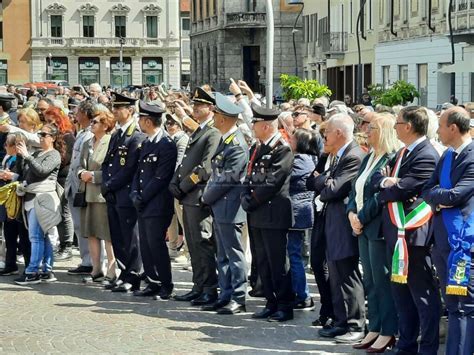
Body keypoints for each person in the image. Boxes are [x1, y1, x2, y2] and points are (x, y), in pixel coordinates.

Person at [374, 106, 441, 354]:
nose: (395, 128)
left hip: (414, 235)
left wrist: (389, 186)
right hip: (396, 234)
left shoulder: (426, 154)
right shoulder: (403, 151)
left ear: (409, 126)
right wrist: (386, 183)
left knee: (422, 296)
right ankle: (407, 344)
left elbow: (404, 189)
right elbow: (379, 182)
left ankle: (428, 348)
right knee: (401, 295)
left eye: (398, 123)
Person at [307, 114, 366, 342]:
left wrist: (323, 179)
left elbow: (333, 189)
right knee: (335, 275)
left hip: (343, 224)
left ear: (339, 133)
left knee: (347, 275)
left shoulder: (353, 156)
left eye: (327, 132)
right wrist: (325, 179)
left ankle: (355, 324)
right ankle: (341, 322)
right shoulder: (337, 156)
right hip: (331, 222)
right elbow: (318, 183)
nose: (325, 136)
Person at [346, 113, 400, 352]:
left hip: (376, 228)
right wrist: (350, 213)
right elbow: (354, 189)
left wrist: (361, 217)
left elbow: (380, 195)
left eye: (373, 129)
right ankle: (374, 327)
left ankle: (388, 331)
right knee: (369, 281)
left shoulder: (391, 157)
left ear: (385, 131)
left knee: (382, 281)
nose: (367, 132)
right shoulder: (370, 157)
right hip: (362, 227)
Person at [423, 107, 474, 355]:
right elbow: (426, 189)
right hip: (442, 240)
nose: (438, 131)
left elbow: (456, 195)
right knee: (452, 306)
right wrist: (440, 199)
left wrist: (440, 199)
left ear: (453, 128)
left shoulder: (472, 156)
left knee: (465, 307)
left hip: (463, 244)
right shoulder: (447, 156)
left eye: (441, 126)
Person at [241, 103, 294, 322]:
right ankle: (270, 302)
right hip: (257, 214)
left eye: (256, 123)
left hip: (273, 213)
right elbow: (250, 174)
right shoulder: (258, 146)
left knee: (277, 262)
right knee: (262, 261)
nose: (253, 127)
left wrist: (252, 200)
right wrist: (245, 195)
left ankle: (284, 305)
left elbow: (273, 181)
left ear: (266, 126)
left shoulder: (281, 148)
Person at [170, 87, 221, 306]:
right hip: (189, 197)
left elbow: (205, 168)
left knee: (203, 243)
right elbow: (186, 163)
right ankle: (198, 285)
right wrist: (176, 181)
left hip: (199, 195)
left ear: (210, 108)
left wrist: (182, 185)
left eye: (199, 105)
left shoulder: (213, 132)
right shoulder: (200, 130)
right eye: (195, 105)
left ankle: (209, 288)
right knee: (193, 242)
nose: (195, 108)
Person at [200, 92, 249, 314]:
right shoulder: (226, 139)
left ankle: (238, 297)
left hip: (230, 207)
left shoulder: (236, 143)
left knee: (233, 254)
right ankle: (226, 293)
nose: (213, 117)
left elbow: (227, 178)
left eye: (215, 114)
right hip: (221, 207)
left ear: (222, 118)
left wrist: (206, 196)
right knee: (223, 255)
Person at [131, 101, 177, 300]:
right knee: (146, 245)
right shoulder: (147, 142)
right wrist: (135, 192)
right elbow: (138, 172)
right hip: (143, 202)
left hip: (157, 203)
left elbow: (161, 177)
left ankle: (165, 283)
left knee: (156, 244)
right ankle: (152, 281)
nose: (139, 122)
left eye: (141, 119)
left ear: (148, 121)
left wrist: (143, 196)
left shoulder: (166, 144)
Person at [101, 92, 146, 292]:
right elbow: (107, 162)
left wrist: (110, 184)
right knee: (117, 236)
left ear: (130, 111)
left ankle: (134, 275)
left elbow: (129, 168)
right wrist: (106, 183)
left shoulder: (136, 136)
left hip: (125, 192)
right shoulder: (117, 135)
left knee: (131, 238)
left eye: (120, 108)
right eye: (115, 108)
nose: (115, 111)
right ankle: (123, 271)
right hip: (113, 193)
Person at [13, 124, 63, 285]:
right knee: (42, 236)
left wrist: (27, 156)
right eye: (40, 134)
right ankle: (47, 270)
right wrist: (21, 154)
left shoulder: (54, 154)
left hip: (43, 198)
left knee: (36, 236)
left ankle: (32, 271)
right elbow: (25, 172)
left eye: (44, 134)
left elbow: (42, 170)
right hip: (31, 196)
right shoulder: (38, 152)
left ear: (53, 138)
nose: (41, 137)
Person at [78, 111, 116, 283]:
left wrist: (93, 176)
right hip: (87, 193)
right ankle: (96, 269)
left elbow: (112, 170)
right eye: (92, 121)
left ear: (105, 125)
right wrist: (81, 174)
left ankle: (112, 270)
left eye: (96, 122)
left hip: (101, 194)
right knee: (91, 233)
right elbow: (79, 165)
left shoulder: (110, 142)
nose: (91, 124)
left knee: (107, 234)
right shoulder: (87, 142)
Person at [65, 101, 95, 276]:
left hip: (82, 185)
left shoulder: (90, 133)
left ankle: (91, 260)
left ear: (85, 113)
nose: (75, 115)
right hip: (73, 184)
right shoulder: (82, 132)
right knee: (78, 225)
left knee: (85, 224)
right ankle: (86, 259)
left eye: (77, 112)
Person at [287, 129, 316, 310]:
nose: (289, 140)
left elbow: (285, 178)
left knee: (294, 255)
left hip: (297, 213)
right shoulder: (304, 158)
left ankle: (303, 295)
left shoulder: (302, 160)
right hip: (296, 211)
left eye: (293, 138)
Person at [43, 106, 76, 260]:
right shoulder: (54, 135)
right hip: (54, 178)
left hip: (63, 178)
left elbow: (66, 159)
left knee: (64, 212)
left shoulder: (67, 136)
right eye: (47, 120)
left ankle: (67, 245)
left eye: (51, 120)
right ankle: (63, 244)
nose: (49, 123)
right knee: (59, 212)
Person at [0, 134, 30, 275]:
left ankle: (29, 265)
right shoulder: (7, 158)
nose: (4, 146)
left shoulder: (22, 158)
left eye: (7, 144)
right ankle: (10, 264)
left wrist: (10, 175)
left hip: (20, 200)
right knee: (9, 234)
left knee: (23, 236)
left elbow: (24, 176)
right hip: (8, 201)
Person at [165, 113, 189, 260]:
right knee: (171, 219)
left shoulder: (182, 139)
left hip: (178, 184)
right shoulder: (170, 139)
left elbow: (179, 164)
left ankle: (187, 252)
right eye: (168, 123)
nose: (169, 125)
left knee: (183, 220)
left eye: (172, 123)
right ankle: (173, 247)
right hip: (169, 185)